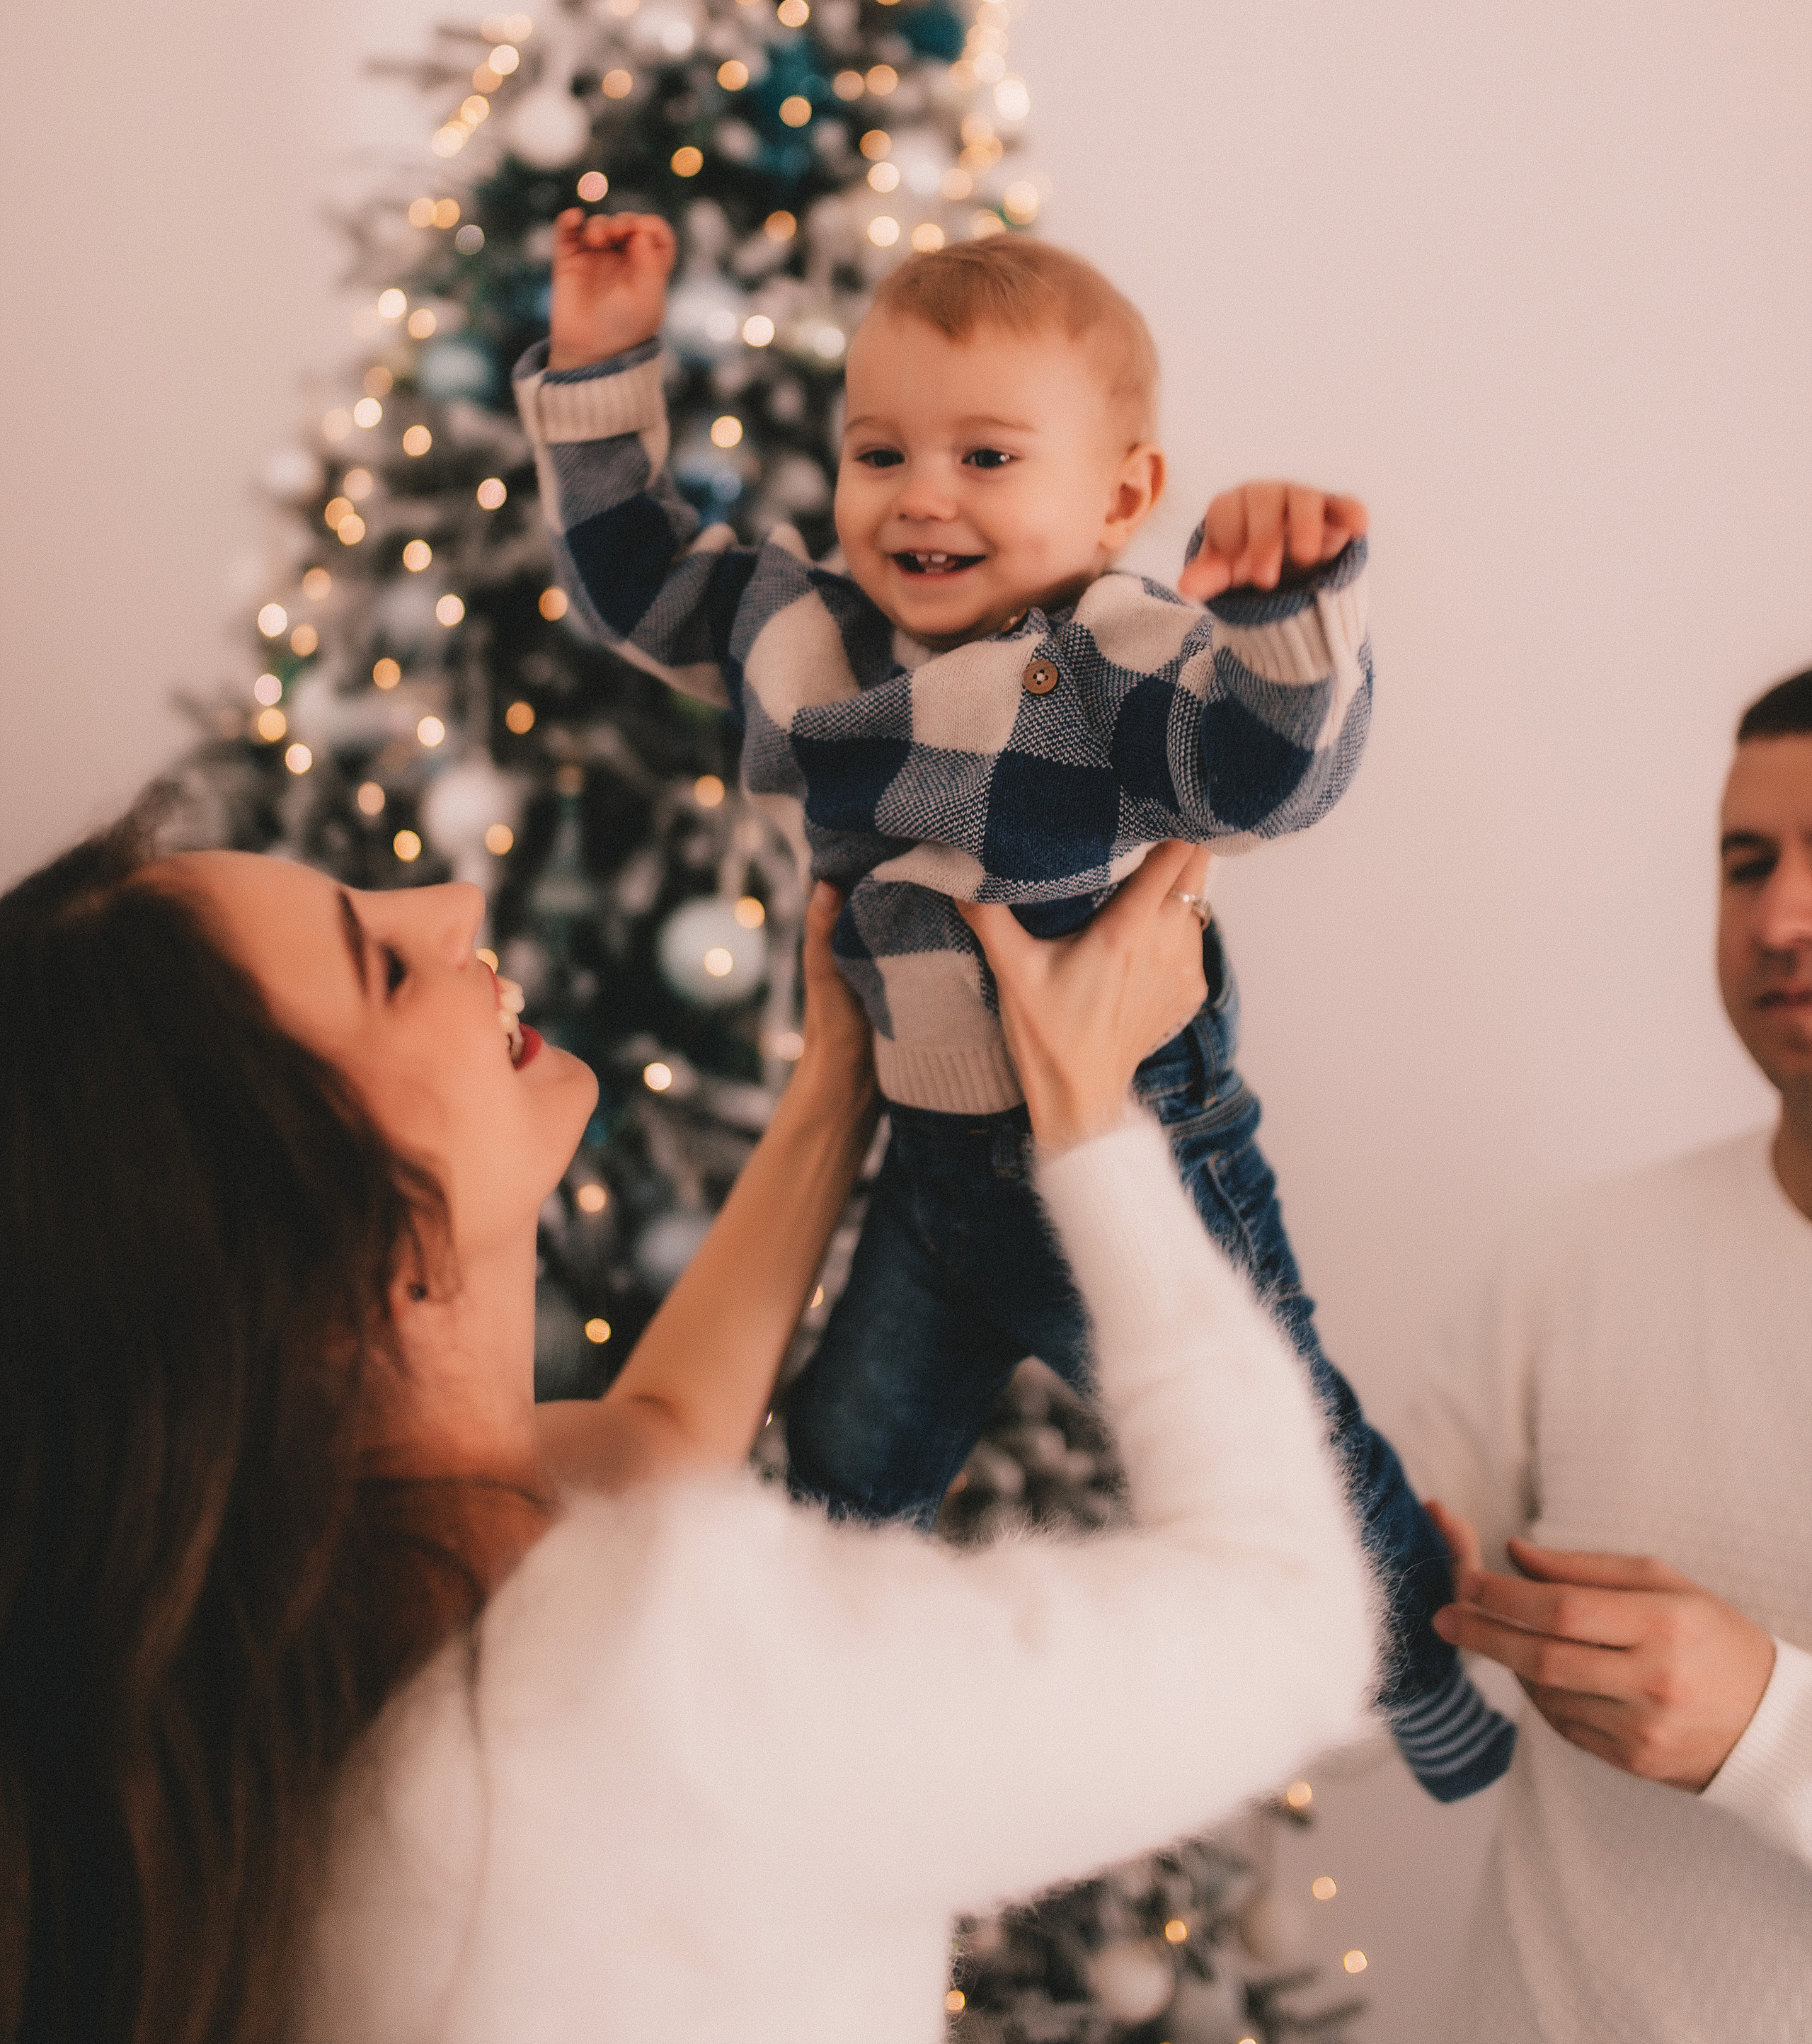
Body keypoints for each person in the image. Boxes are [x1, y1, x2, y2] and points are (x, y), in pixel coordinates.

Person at [0, 813, 1373, 2044]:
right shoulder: (666, 1686)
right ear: (353, 1240)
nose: (455, 902)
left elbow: (650, 1436)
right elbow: (1292, 1623)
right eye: (387, 968)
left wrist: (835, 1087)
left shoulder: (279, 1616)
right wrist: (1095, 1120)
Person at [512, 209, 1511, 1801]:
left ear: (1120, 494)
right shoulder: (809, 636)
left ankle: (1419, 1671)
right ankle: (816, 1731)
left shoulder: (1118, 663)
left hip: (1136, 1152)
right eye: (877, 451)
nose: (918, 495)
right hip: (930, 1176)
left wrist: (1283, 618)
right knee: (842, 1460)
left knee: (1294, 1442)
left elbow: (1260, 776)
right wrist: (598, 356)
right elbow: (640, 575)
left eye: (987, 459)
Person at [1409, 666, 1812, 2040]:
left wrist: (1766, 1732)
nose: (1778, 920)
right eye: (1742, 863)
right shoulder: (1567, 1264)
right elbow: (1335, 1647)